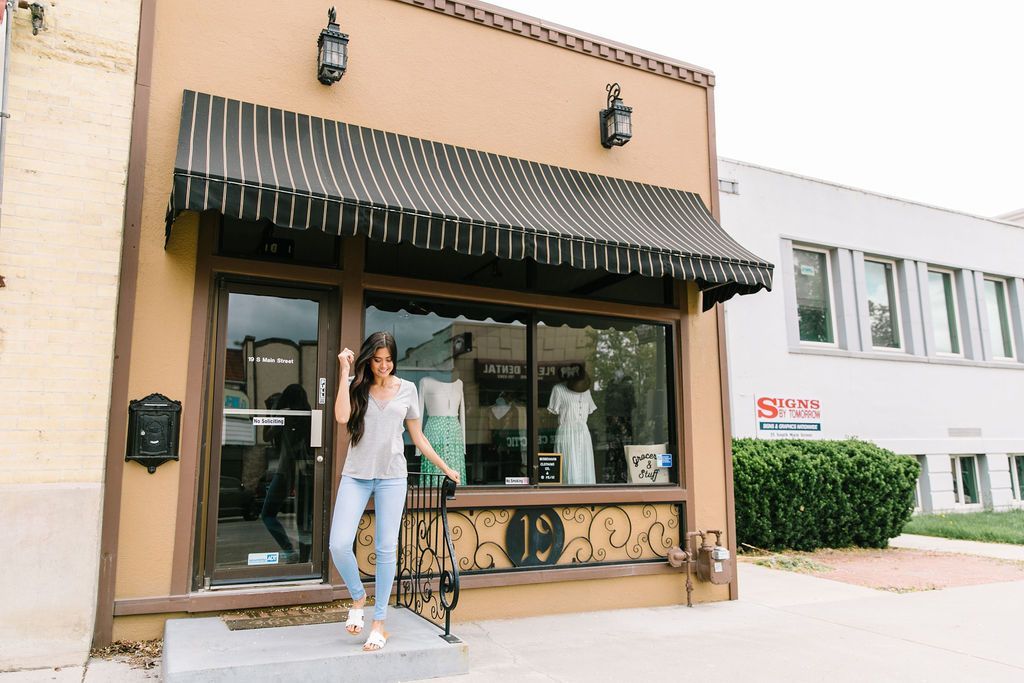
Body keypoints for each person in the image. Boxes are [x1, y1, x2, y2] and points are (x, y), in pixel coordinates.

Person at [329, 331, 461, 652]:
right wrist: (344, 373)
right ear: (368, 359)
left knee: (387, 548)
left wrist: (446, 467)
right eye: (377, 359)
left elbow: (418, 439)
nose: (383, 365)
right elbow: (342, 417)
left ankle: (378, 622)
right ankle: (358, 596)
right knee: (339, 543)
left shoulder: (408, 390)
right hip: (356, 475)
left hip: (392, 478)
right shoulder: (357, 386)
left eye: (388, 359)